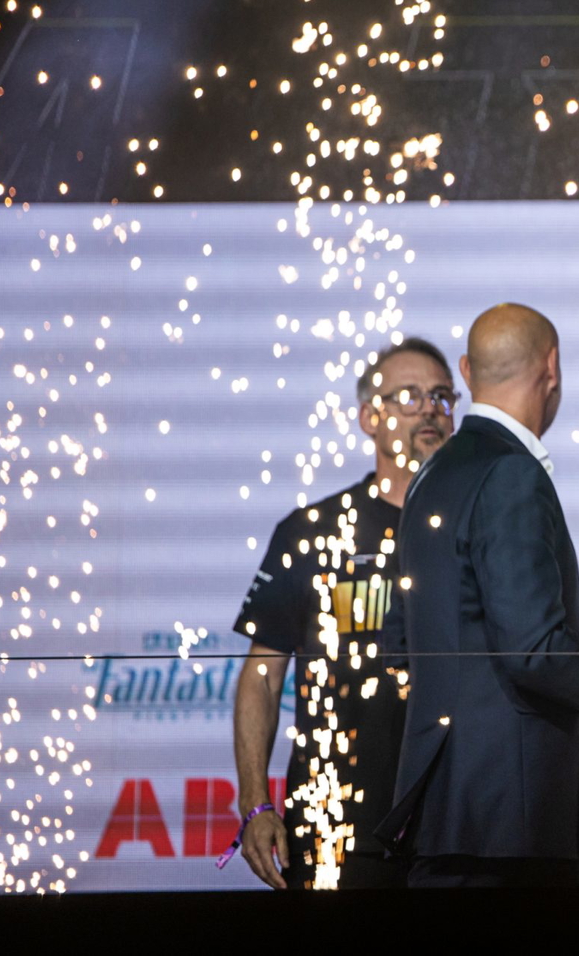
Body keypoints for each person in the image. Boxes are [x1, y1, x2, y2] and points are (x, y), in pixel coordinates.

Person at [376, 303, 579, 888]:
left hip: (443, 820)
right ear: (553, 367)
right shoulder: (510, 474)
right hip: (511, 832)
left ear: (466, 371)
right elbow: (532, 645)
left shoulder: (430, 478)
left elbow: (401, 644)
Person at [229, 336, 458, 889]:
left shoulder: (476, 529)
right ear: (368, 418)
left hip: (459, 828)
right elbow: (262, 676)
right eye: (408, 396)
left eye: (442, 397)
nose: (429, 409)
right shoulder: (312, 532)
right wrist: (257, 806)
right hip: (337, 826)